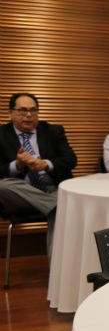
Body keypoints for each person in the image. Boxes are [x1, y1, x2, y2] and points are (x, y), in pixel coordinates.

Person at [0, 93, 77, 256]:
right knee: (2, 186)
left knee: (57, 213)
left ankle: (55, 278)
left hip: (53, 188)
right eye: (22, 110)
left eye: (33, 110)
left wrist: (46, 164)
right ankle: (57, 205)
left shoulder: (53, 131)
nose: (29, 115)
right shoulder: (1, 134)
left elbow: (70, 160)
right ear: (10, 113)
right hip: (20, 194)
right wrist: (18, 165)